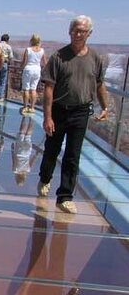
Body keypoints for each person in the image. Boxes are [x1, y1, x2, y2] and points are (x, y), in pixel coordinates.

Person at [37, 15, 110, 214]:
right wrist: (47, 117)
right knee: (51, 149)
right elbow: (49, 89)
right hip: (59, 110)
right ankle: (45, 178)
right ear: (70, 32)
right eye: (75, 30)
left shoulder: (95, 58)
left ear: (89, 33)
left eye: (82, 31)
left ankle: (65, 196)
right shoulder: (59, 57)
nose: (78, 34)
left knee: (72, 155)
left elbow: (99, 84)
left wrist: (105, 106)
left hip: (81, 111)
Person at [20, 34, 46, 115]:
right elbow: (45, 62)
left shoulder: (28, 49)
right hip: (37, 69)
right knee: (33, 89)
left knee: (26, 89)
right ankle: (32, 107)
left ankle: (25, 107)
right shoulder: (42, 50)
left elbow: (24, 61)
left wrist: (21, 67)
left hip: (28, 69)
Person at [0, 34, 14, 101]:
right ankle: (0, 96)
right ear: (7, 40)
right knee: (3, 81)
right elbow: (11, 57)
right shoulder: (8, 47)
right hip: (4, 64)